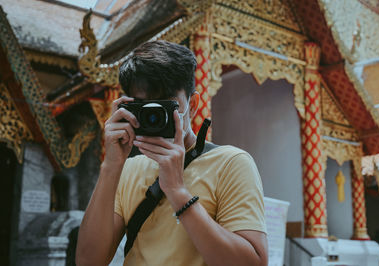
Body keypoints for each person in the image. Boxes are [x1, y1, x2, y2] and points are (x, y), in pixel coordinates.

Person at [76, 40, 268, 266]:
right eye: (144, 108)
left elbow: (253, 263)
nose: (154, 117)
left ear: (192, 104)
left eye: (165, 106)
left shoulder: (230, 163)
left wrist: (178, 191)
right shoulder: (128, 169)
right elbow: (88, 261)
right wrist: (111, 166)